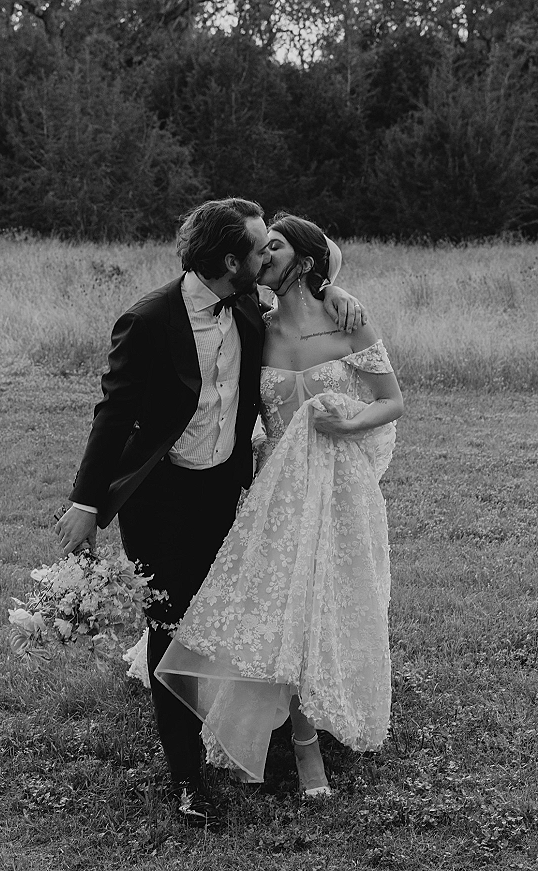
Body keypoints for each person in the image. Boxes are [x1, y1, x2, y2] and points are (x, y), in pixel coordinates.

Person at [54, 198, 365, 827]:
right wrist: (86, 504)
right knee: (171, 623)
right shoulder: (148, 319)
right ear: (229, 262)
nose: (266, 255)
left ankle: (250, 721)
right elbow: (113, 414)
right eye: (258, 248)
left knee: (225, 612)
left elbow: (308, 284)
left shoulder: (249, 308)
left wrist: (337, 292)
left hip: (229, 493)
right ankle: (188, 779)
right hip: (159, 499)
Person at [153, 213, 403, 799]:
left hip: (340, 488)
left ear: (305, 262)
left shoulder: (349, 321)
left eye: (274, 247)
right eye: (260, 248)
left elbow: (391, 402)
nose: (260, 257)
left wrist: (349, 421)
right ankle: (303, 742)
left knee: (325, 601)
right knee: (284, 605)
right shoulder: (252, 325)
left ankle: (325, 702)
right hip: (278, 491)